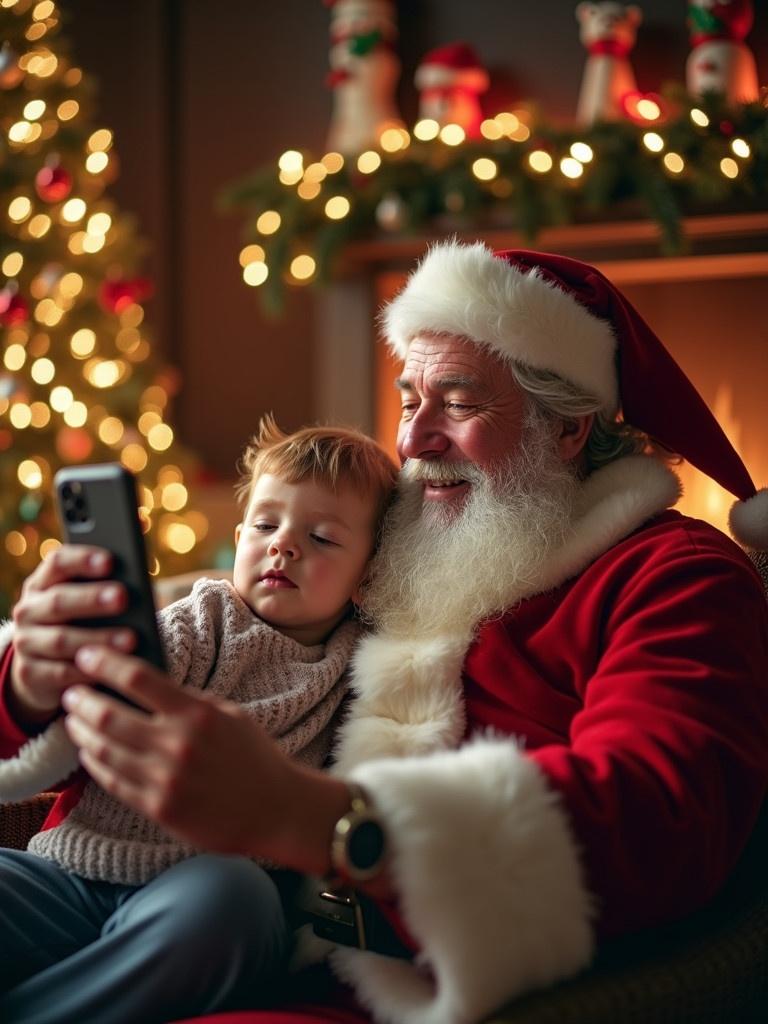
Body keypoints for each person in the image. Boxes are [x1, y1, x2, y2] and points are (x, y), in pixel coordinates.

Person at [1, 241, 767, 1024]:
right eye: (409, 401)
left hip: (376, 985)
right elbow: (212, 632)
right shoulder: (383, 534)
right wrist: (32, 680)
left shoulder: (674, 576)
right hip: (111, 887)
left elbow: (661, 817)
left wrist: (317, 819)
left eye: (460, 403)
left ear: (569, 427)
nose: (412, 442)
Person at [0, 415, 397, 1023]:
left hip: (197, 900)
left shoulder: (364, 666)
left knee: (238, 902)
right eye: (266, 525)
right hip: (72, 871)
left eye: (321, 538)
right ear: (240, 536)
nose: (282, 545)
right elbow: (111, 689)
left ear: (366, 577)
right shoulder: (201, 619)